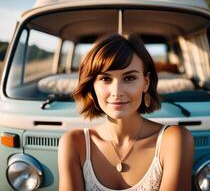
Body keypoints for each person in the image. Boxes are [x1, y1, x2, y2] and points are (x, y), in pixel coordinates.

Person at [58, 33, 194, 191]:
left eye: (129, 78)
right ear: (92, 87)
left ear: (146, 83)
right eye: (105, 79)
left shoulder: (174, 140)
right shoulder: (74, 143)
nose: (117, 91)